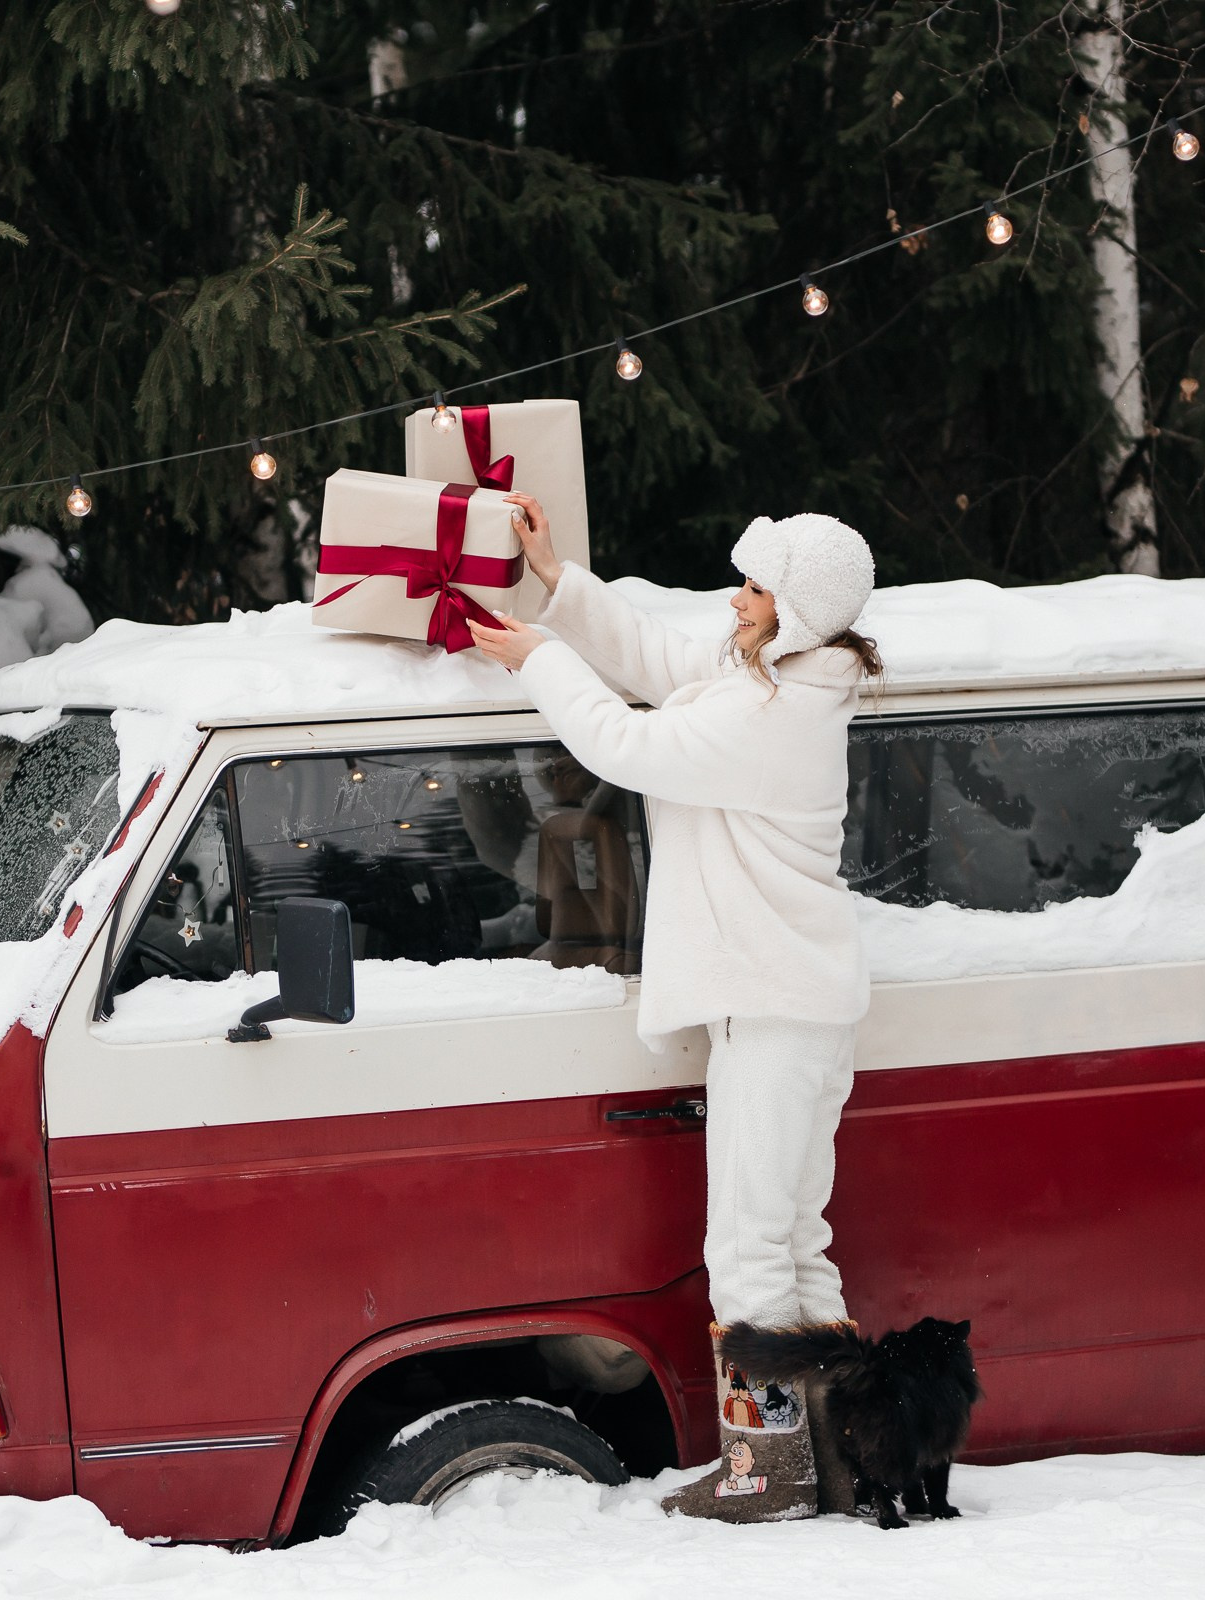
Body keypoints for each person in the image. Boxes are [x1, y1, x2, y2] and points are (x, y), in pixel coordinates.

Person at [469, 496, 880, 1523]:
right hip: (797, 1004)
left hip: (776, 1010)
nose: (735, 601)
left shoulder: (770, 713)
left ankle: (768, 1468)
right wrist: (560, 585)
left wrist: (535, 659)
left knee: (750, 1249)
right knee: (792, 1240)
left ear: (795, 612)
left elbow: (625, 743)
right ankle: (839, 1452)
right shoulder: (779, 680)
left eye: (755, 589)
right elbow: (659, 662)